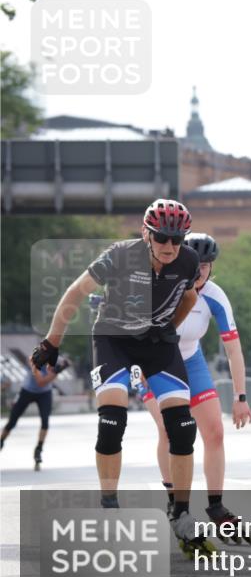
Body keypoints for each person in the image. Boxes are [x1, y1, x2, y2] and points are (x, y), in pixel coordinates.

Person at [30, 198, 215, 556]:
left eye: (177, 240)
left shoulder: (188, 261)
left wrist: (168, 328)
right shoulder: (119, 255)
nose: (169, 247)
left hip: (156, 341)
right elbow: (75, 293)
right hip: (114, 339)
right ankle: (109, 505)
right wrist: (52, 343)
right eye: (162, 237)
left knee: (181, 426)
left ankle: (180, 512)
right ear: (147, 233)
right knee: (112, 420)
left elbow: (189, 298)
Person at [140, 233, 251, 543]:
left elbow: (233, 350)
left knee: (215, 432)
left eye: (207, 264)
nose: (201, 269)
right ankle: (175, 504)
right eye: (197, 263)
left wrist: (241, 397)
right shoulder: (163, 284)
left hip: (190, 361)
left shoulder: (215, 295)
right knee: (169, 430)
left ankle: (216, 507)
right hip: (156, 362)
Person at [1, 356, 70, 470]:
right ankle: (1, 440)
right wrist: (57, 371)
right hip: (27, 391)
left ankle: (38, 449)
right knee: (12, 422)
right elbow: (41, 382)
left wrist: (64, 364)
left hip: (44, 394)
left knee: (45, 422)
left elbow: (67, 361)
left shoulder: (55, 357)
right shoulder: (34, 358)